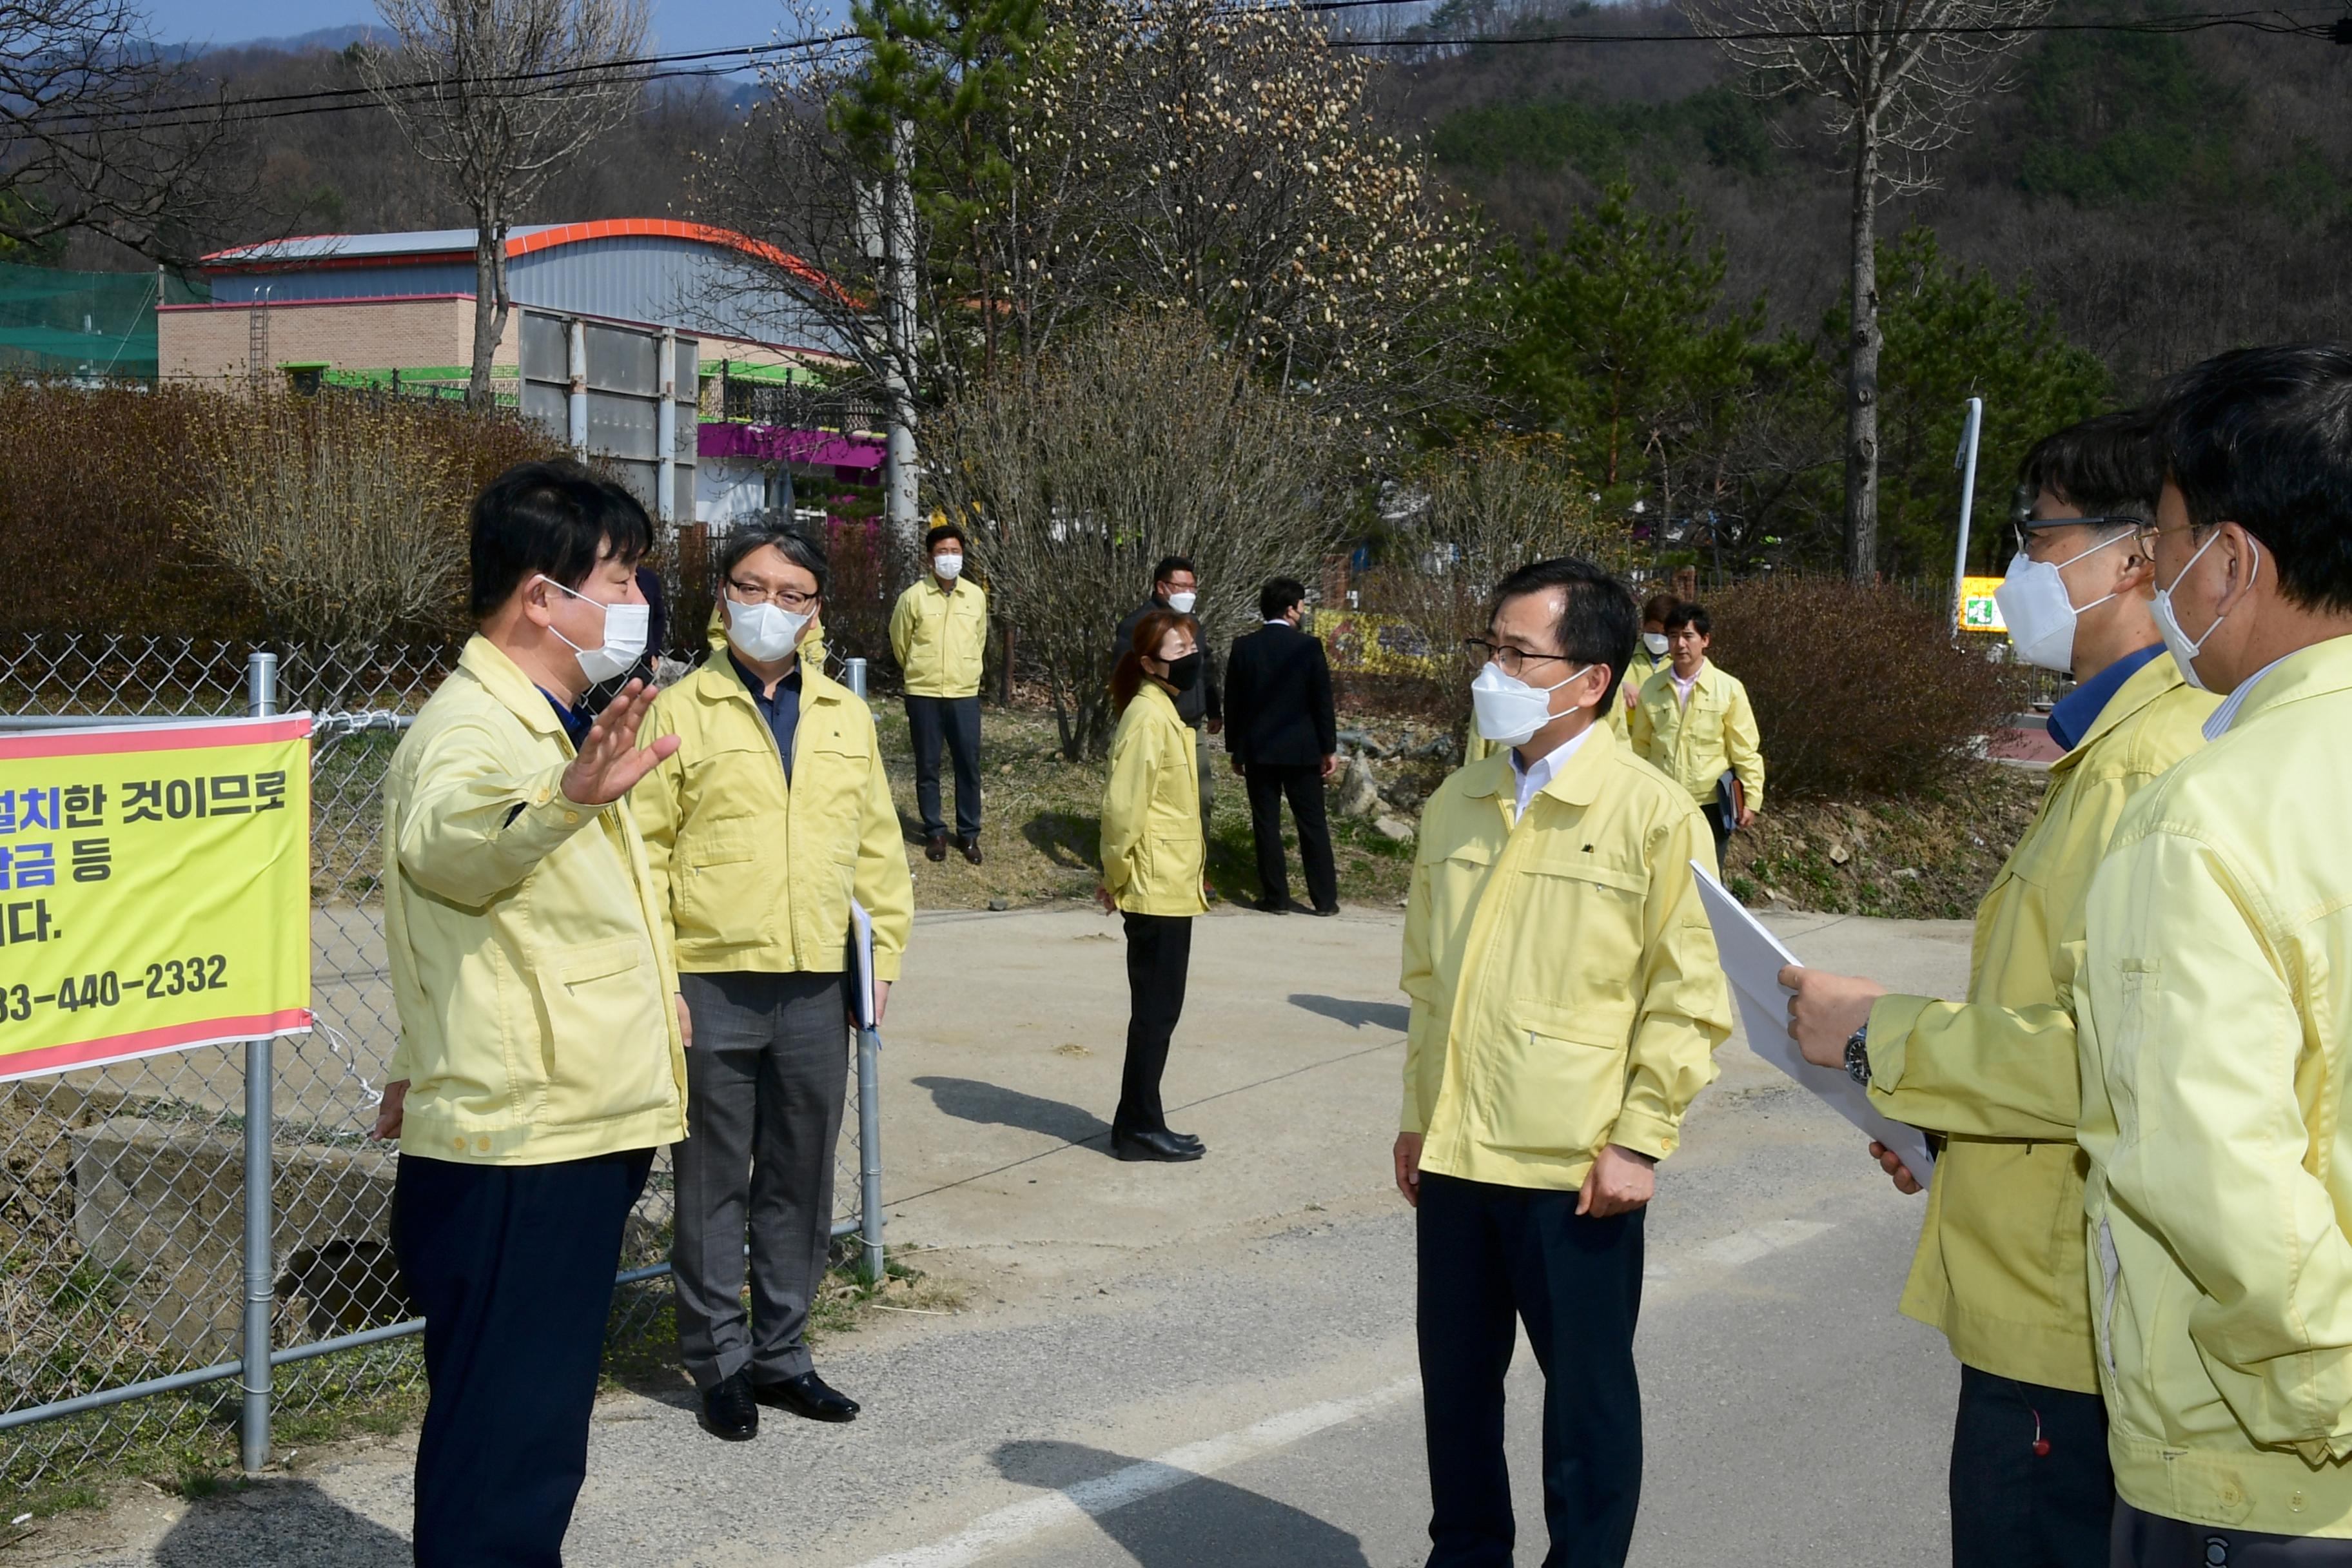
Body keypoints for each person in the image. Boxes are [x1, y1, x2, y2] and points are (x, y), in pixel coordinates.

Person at [1778, 411, 2217, 1568]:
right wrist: (1937, 1117)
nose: (2015, 566)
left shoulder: (2145, 764)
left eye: (2034, 533)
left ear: (2134, 555)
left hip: (2070, 1314)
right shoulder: (2110, 748)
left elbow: (2113, 1056)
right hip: (2044, 1283)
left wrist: (1886, 1037)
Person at [373, 459, 687, 1567]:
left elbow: (469, 936)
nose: (638, 601)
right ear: (543, 596)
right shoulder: (475, 732)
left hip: (556, 1124)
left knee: (523, 1429)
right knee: (508, 1444)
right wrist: (558, 804)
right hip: (522, 1144)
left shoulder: (550, 721)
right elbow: (454, 847)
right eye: (623, 575)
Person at [2072, 344, 2352, 1562]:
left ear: (2232, 560)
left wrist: (2329, 1403)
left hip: (2265, 1477)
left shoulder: (2204, 813)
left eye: (2170, 540)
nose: (2159, 573)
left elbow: (2219, 1182)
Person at [1398, 557, 1733, 1568]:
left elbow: (1690, 999)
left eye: (1516, 652)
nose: (1490, 670)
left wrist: (1640, 1139)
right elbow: (1427, 983)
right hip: (1459, 1156)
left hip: (1575, 1169)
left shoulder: (1653, 815)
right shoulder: (1459, 801)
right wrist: (1419, 1116)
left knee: (1585, 1405)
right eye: (1488, 647)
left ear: (1588, 678)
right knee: (1456, 1396)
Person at [632, 519, 914, 1444]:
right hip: (712, 978)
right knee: (712, 1179)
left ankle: (784, 1356)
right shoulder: (680, 712)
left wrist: (882, 965)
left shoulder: (844, 714)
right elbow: (648, 858)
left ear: (816, 611)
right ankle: (718, 1363)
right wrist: (662, 977)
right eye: (753, 588)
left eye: (793, 595)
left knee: (799, 1177)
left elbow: (877, 855)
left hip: (814, 984)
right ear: (723, 597)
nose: (771, 609)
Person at [1096, 609, 1211, 1163]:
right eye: (1177, 652)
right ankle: (1137, 1127)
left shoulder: (1164, 711)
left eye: (1192, 649)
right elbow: (1124, 808)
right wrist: (1115, 875)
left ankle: (1141, 1119)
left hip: (1171, 883)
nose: (1189, 660)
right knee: (1156, 1013)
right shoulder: (1147, 716)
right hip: (1152, 886)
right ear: (1148, 663)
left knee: (1159, 1011)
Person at [1223, 576, 1340, 916]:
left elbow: (1235, 703)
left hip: (1259, 750)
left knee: (1266, 824)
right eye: (1302, 604)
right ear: (1291, 610)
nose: (1304, 610)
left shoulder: (1244, 647)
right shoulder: (1308, 647)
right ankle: (1324, 900)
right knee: (1312, 824)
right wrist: (1328, 748)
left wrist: (1237, 749)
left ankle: (1276, 898)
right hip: (1302, 751)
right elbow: (1322, 702)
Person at [1627, 602, 1763, 865]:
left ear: (1705, 640)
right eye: (1673, 636)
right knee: (1662, 878)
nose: (1680, 644)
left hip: (1710, 802)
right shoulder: (1652, 688)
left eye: (1688, 636)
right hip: (1662, 801)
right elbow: (1640, 747)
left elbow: (1745, 749)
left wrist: (1752, 798)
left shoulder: (1729, 689)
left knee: (1708, 880)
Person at [890, 522, 989, 864]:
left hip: (964, 693)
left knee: (968, 765)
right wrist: (920, 668)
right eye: (942, 552)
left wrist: (968, 670)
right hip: (924, 693)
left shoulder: (976, 596)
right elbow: (901, 643)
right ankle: (934, 831)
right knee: (928, 765)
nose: (949, 558)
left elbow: (980, 640)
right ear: (930, 559)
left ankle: (969, 834)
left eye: (955, 552)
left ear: (964, 555)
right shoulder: (913, 598)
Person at [1115, 556, 1224, 848]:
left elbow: (1206, 669)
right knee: (1153, 797)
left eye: (1193, 586)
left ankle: (1197, 867)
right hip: (1156, 725)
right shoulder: (1136, 625)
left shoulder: (1193, 624)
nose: (1189, 593)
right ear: (1161, 587)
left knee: (1202, 796)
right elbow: (1124, 676)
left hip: (1192, 725)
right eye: (1181, 586)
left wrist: (1214, 709)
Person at [1607, 591, 1677, 738]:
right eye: (1653, 631)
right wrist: (1620, 686)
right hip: (1627, 740)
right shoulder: (1624, 655)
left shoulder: (1681, 662)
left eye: (1665, 634)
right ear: (1643, 626)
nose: (1658, 638)